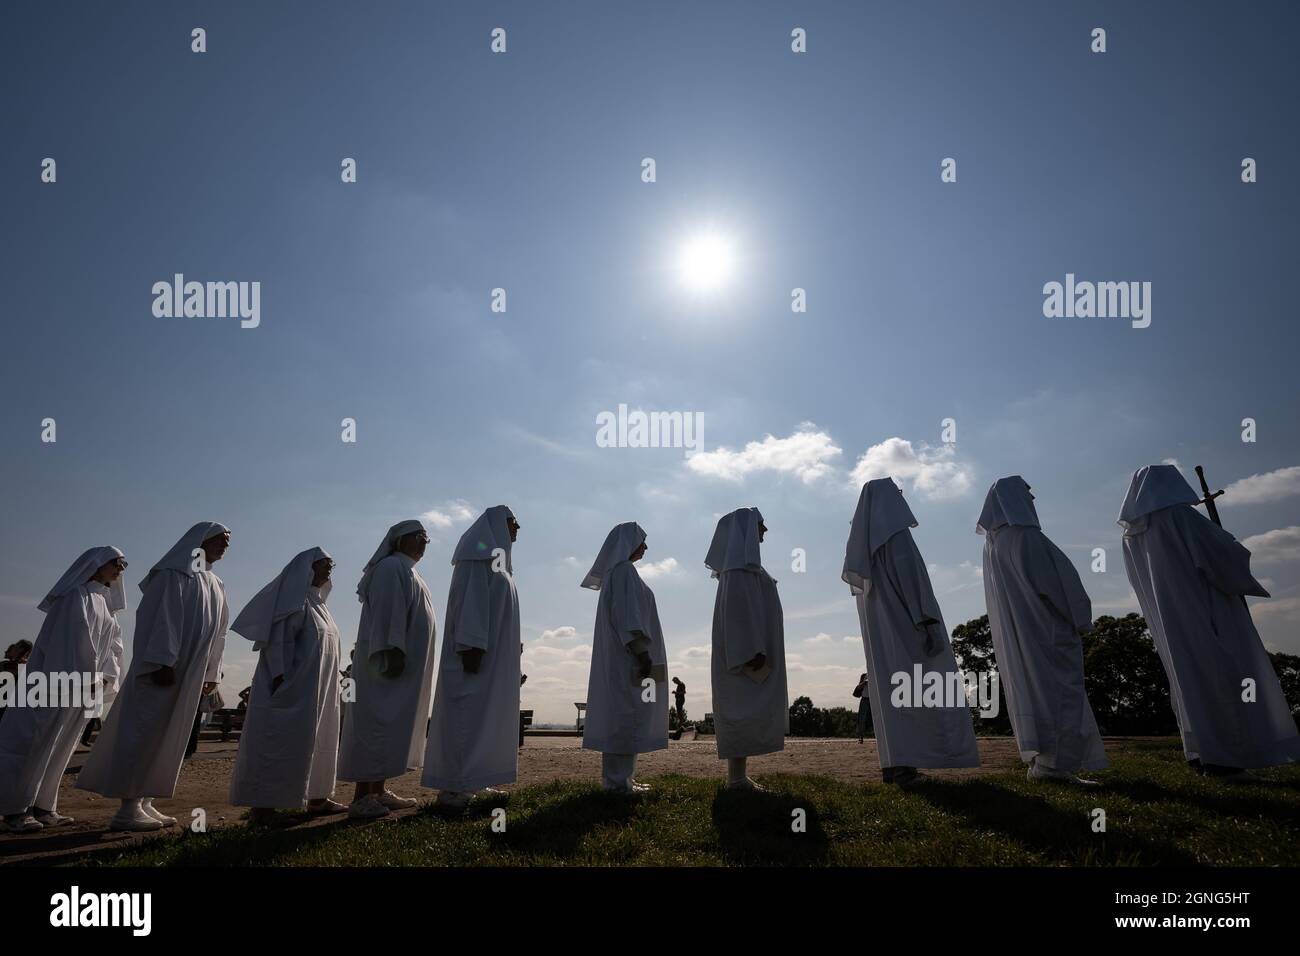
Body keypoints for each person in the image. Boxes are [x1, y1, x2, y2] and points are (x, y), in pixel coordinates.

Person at [1120, 464, 1300, 779]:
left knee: (1190, 681)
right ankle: (1227, 759)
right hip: (1207, 608)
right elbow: (1221, 557)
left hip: (1170, 620)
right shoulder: (1181, 518)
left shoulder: (1132, 535)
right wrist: (1228, 544)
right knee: (1223, 677)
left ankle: (1202, 751)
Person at [76, 523, 231, 831]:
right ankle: (128, 807)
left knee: (169, 733)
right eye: (220, 540)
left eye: (228, 542)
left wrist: (212, 671)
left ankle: (145, 800)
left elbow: (219, 633)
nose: (225, 546)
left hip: (191, 673)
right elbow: (160, 619)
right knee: (145, 730)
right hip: (164, 670)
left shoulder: (216, 583)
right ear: (200, 541)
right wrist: (161, 661)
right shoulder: (173, 574)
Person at [843, 479, 979, 785]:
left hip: (884, 639)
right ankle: (907, 766)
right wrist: (926, 622)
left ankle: (897, 765)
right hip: (909, 630)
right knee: (922, 695)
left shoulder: (863, 545)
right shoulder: (897, 538)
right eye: (899, 494)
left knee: (895, 700)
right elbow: (914, 583)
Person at [979, 476, 1106, 785]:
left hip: (1024, 637)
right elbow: (1060, 586)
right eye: (1028, 492)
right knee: (1059, 694)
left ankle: (1044, 763)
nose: (1033, 498)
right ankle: (1053, 768)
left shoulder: (994, 546)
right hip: (1047, 632)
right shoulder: (1026, 538)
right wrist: (1080, 618)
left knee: (1036, 695)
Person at [0, 548, 128, 832]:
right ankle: (15, 811)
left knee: (63, 746)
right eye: (117, 562)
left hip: (84, 688)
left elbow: (113, 648)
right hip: (55, 686)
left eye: (124, 563)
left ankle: (44, 806)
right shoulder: (74, 598)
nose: (122, 568)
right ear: (97, 564)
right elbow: (72, 643)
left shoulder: (106, 605)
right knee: (35, 744)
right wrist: (88, 675)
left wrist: (107, 676)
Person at [230, 548, 346, 823]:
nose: (329, 569)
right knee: (279, 744)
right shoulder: (292, 602)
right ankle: (263, 810)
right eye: (323, 564)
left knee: (322, 741)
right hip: (292, 691)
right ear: (307, 568)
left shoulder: (321, 606)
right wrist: (281, 680)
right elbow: (278, 644)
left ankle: (317, 797)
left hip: (321, 689)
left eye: (331, 564)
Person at [338, 520, 438, 820]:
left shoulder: (410, 571)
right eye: (418, 537)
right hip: (386, 664)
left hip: (403, 669)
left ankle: (378, 789)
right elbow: (387, 613)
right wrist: (391, 651)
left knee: (390, 727)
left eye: (426, 538)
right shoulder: (390, 568)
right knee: (375, 726)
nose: (424, 542)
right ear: (399, 540)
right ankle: (361, 797)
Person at [424, 506, 522, 808]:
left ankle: (476, 781)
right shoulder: (475, 560)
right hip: (474, 656)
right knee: (467, 719)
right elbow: (471, 606)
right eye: (512, 523)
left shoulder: (500, 567)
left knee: (484, 720)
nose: (517, 528)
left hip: (493, 660)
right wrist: (471, 648)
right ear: (495, 526)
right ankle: (454, 789)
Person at [580, 522, 669, 794]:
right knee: (626, 716)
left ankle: (622, 778)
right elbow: (629, 618)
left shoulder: (617, 574)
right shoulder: (624, 572)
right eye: (641, 541)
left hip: (624, 657)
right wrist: (641, 653)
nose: (645, 547)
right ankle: (618, 783)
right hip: (630, 658)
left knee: (627, 717)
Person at [706, 507, 788, 791]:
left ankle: (738, 777)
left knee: (745, 713)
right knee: (739, 712)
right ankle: (736, 780)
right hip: (744, 657)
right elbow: (737, 615)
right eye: (760, 525)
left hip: (751, 652)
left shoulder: (747, 567)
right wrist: (751, 650)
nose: (765, 530)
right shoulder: (738, 570)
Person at [0, 642, 34, 727]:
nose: (13, 649)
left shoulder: (27, 669)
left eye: (17, 647)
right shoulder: (4, 664)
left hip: (10, 710)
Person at [853, 673, 872, 743]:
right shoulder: (864, 675)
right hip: (865, 699)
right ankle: (861, 737)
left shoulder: (877, 673)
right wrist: (864, 683)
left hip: (874, 699)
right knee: (861, 719)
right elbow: (858, 687)